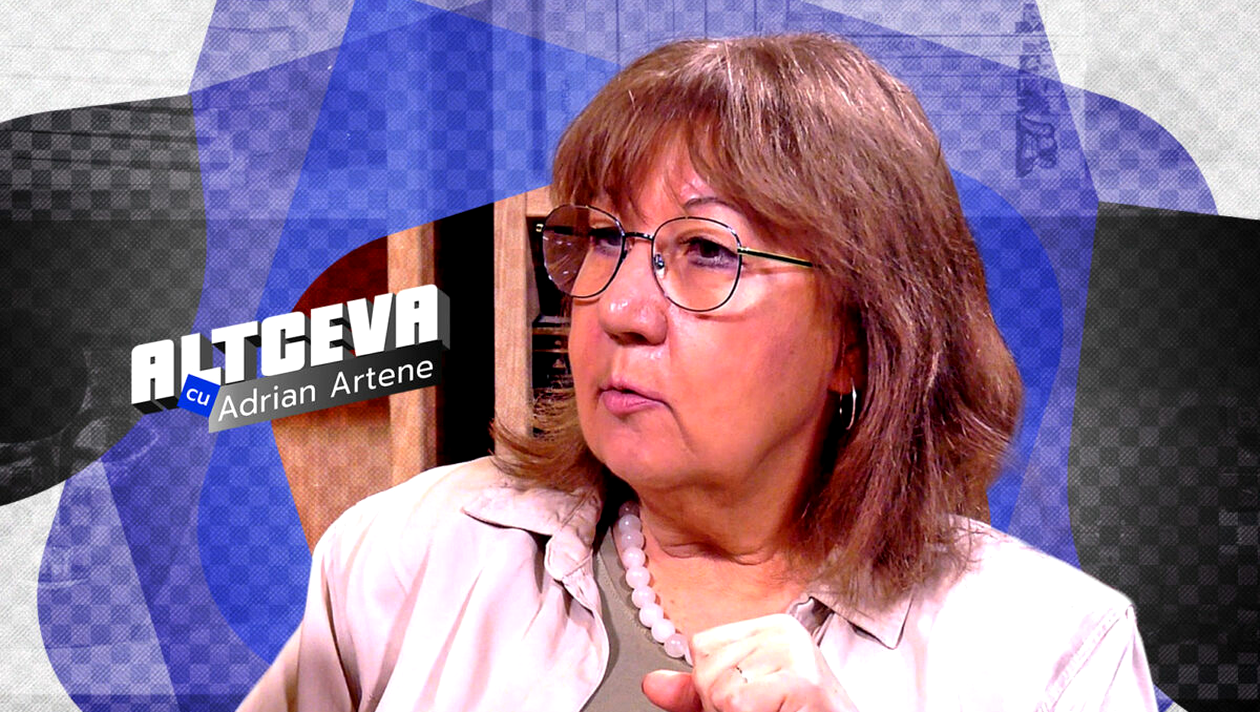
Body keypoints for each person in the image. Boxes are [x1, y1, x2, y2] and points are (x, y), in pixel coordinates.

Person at [239, 33, 1157, 712]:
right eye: (602, 240)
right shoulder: (404, 554)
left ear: (857, 338)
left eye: (708, 253)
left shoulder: (1053, 655)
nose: (622, 310)